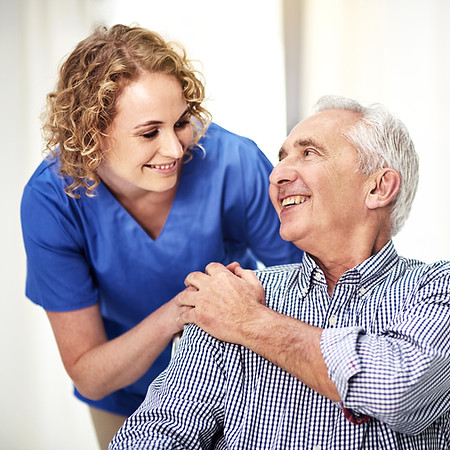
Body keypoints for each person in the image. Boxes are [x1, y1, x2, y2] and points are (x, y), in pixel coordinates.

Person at [110, 95, 450, 449]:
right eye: (282, 157)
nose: (276, 174)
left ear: (379, 188)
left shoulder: (438, 287)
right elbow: (159, 432)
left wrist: (250, 322)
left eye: (309, 153)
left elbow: (400, 388)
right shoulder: (234, 292)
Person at [20, 24, 301, 449]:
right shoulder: (52, 200)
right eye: (150, 133)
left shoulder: (233, 164)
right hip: (124, 395)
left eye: (182, 122)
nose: (174, 149)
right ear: (91, 136)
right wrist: (181, 311)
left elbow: (310, 288)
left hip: (240, 385)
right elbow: (89, 374)